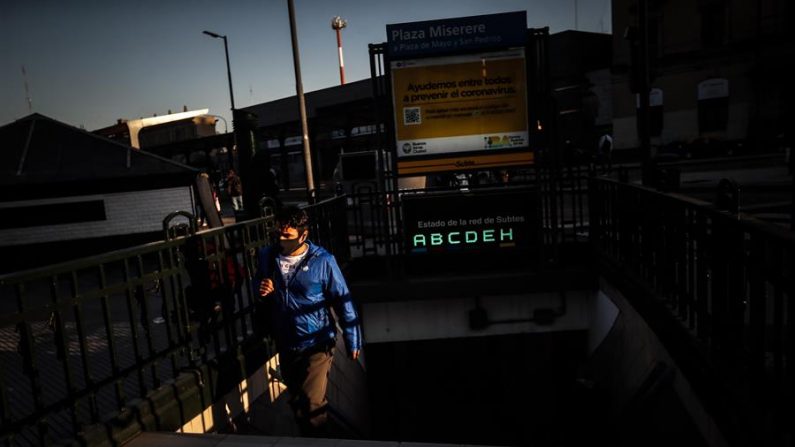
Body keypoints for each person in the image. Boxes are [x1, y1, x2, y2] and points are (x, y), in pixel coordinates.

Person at [254, 206, 362, 436]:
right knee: (296, 402)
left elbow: (343, 299)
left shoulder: (323, 261)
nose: (281, 240)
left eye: (287, 236)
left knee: (312, 406)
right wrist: (262, 289)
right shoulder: (267, 256)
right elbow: (258, 286)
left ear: (303, 235)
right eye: (278, 234)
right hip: (286, 340)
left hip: (317, 342)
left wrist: (353, 339)